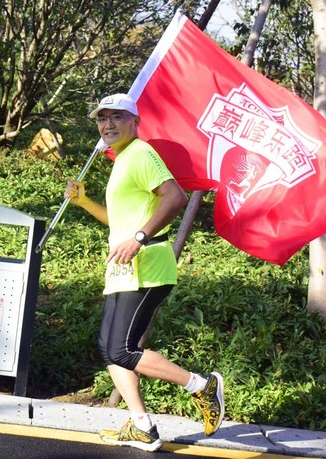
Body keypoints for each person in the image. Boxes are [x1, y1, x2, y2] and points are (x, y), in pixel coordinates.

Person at [65, 93, 224, 452]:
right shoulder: (121, 161)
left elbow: (175, 197)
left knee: (121, 350)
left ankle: (202, 386)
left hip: (147, 265)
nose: (108, 124)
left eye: (116, 117)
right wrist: (84, 202)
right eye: (102, 118)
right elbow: (120, 222)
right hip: (124, 268)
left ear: (134, 122)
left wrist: (139, 238)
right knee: (109, 349)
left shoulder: (140, 154)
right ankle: (142, 426)